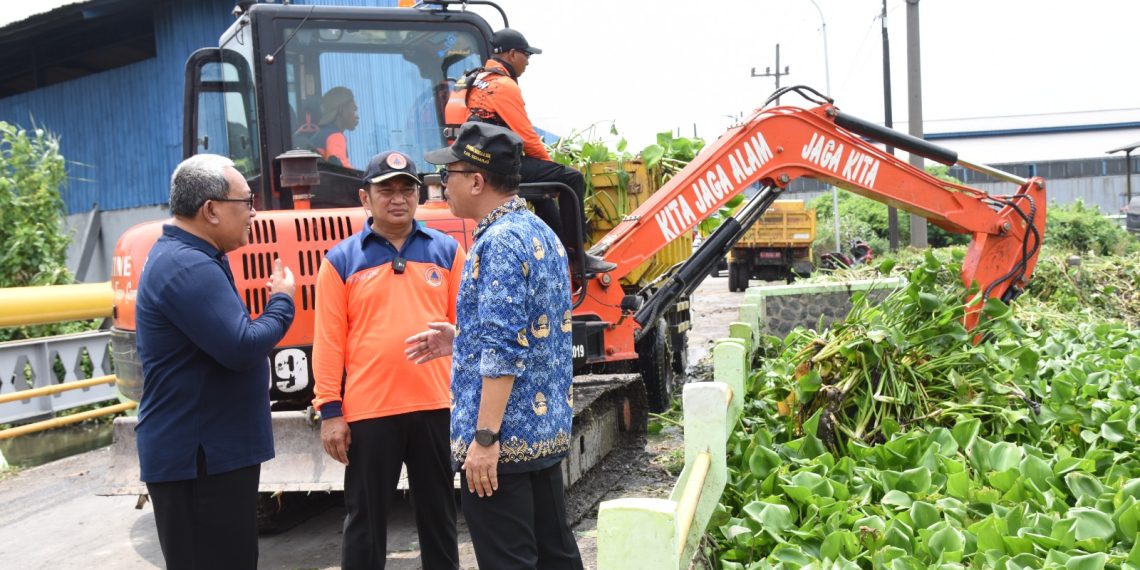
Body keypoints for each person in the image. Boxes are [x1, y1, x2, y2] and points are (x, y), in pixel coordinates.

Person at [408, 121, 584, 569]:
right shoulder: (540, 231)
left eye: (448, 174)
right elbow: (534, 330)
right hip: (542, 436)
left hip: (503, 445)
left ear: (476, 181)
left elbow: (505, 351)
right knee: (556, 556)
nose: (442, 184)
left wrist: (484, 439)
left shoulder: (499, 243)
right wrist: (461, 341)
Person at [134, 154, 296, 570]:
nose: (253, 213)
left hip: (209, 454)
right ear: (211, 209)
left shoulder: (195, 257)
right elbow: (242, 346)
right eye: (247, 201)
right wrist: (282, 302)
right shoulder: (187, 265)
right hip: (198, 461)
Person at [312, 150, 463, 569]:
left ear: (419, 195)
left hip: (436, 406)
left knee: (439, 516)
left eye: (406, 190)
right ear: (365, 198)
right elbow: (329, 341)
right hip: (370, 412)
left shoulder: (447, 252)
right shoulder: (341, 261)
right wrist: (330, 411)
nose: (398, 199)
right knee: (364, 520)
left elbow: (466, 330)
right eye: (386, 190)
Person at [464, 28, 615, 274]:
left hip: (480, 162)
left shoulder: (475, 81)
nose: (528, 62)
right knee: (570, 178)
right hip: (500, 166)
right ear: (512, 54)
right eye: (526, 55)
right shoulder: (504, 85)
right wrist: (550, 165)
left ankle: (561, 251)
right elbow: (527, 137)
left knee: (542, 194)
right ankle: (578, 257)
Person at [313, 86, 359, 168]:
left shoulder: (321, 134)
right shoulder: (335, 136)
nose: (357, 116)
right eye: (354, 109)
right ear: (341, 110)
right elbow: (342, 171)